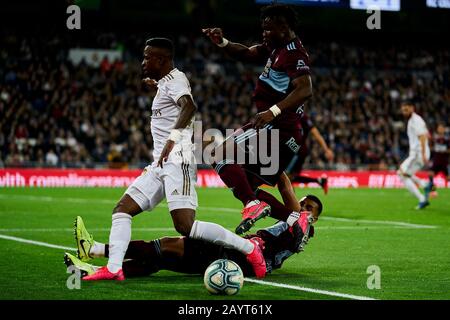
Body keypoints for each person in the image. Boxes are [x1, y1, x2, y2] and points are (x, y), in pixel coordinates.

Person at [81, 37, 266, 281]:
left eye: (148, 57)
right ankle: (114, 268)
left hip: (178, 158)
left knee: (185, 226)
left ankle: (250, 248)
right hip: (159, 163)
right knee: (122, 210)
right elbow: (172, 102)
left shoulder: (176, 80)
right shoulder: (166, 83)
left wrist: (173, 138)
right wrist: (156, 86)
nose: (143, 61)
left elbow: (189, 107)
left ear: (162, 59)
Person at [202, 4, 313, 234]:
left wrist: (272, 111)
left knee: (217, 153)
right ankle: (297, 224)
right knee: (247, 185)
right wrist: (222, 43)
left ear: (284, 27)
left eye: (268, 29)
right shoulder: (275, 48)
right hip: (286, 132)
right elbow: (246, 53)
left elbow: (305, 89)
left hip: (276, 127)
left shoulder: (294, 53)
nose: (264, 33)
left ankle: (252, 205)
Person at [65, 195, 323, 279]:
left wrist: (302, 218)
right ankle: (94, 269)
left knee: (166, 245)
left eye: (310, 208)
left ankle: (96, 249)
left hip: (238, 256)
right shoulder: (291, 223)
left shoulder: (301, 228)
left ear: (315, 218)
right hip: (240, 259)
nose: (303, 209)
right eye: (303, 204)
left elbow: (299, 231)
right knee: (162, 260)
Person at [286, 113, 334, 194]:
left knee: (287, 176)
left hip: (298, 151)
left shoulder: (302, 117)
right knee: (290, 177)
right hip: (291, 151)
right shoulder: (289, 114)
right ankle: (320, 181)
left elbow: (316, 134)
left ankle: (292, 205)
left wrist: (326, 150)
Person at [397, 101, 431, 210]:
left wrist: (424, 153)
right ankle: (425, 184)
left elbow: (422, 136)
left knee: (401, 174)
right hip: (417, 153)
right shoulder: (415, 120)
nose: (404, 112)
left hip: (418, 154)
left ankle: (422, 198)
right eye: (403, 110)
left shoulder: (415, 120)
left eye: (406, 110)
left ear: (412, 108)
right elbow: (427, 135)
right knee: (405, 173)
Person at [426, 123, 450, 196]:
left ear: (444, 130)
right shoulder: (435, 138)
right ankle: (433, 191)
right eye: (439, 128)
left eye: (442, 128)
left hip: (444, 162)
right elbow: (431, 147)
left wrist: (443, 150)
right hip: (436, 161)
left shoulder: (447, 139)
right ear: (437, 129)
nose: (440, 130)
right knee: (430, 174)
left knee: (448, 178)